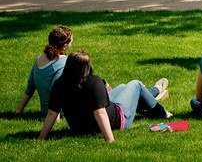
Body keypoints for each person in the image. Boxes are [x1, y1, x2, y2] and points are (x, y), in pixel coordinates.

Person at [39, 51, 170, 143]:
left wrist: (41, 138)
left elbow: (52, 113)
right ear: (87, 67)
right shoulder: (94, 82)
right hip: (119, 120)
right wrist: (110, 139)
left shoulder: (59, 84)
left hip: (79, 128)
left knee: (123, 87)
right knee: (136, 84)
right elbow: (100, 113)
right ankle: (160, 108)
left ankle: (151, 96)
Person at [16, 25, 73, 116]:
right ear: (65, 46)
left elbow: (30, 88)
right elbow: (56, 93)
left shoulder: (39, 59)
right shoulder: (64, 62)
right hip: (59, 112)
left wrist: (18, 110)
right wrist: (55, 119)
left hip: (45, 111)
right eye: (70, 43)